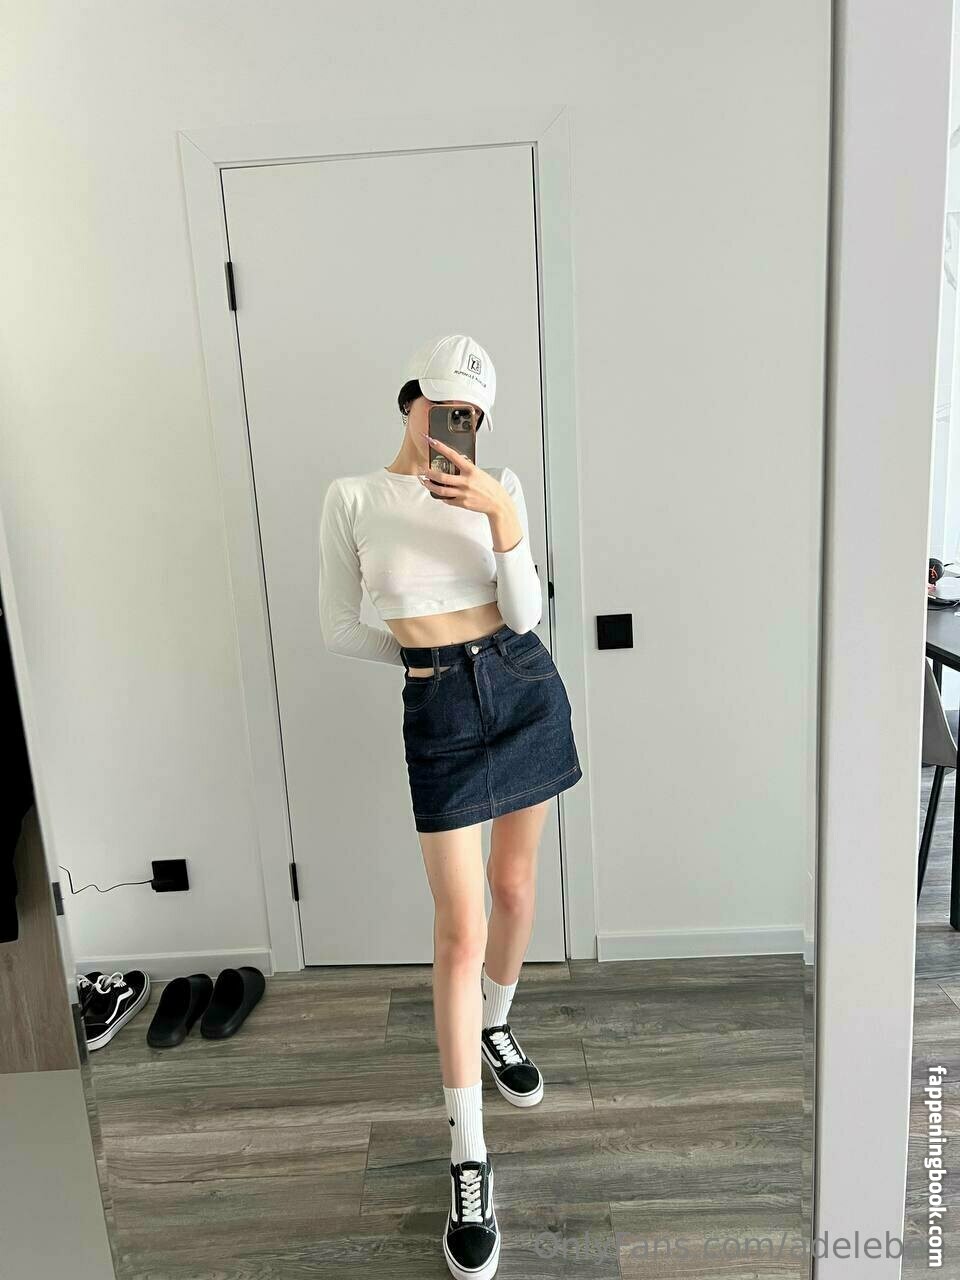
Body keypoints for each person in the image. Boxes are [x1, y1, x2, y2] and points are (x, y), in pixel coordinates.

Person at [318, 333, 582, 1280]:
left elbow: (526, 615)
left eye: (470, 414)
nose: (453, 427)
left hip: (523, 689)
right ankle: (470, 1157)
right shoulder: (353, 498)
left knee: (514, 891)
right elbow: (339, 626)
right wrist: (426, 662)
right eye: (442, 407)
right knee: (459, 930)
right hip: (438, 709)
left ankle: (496, 1023)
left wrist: (503, 517)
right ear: (411, 402)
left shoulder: (498, 485)